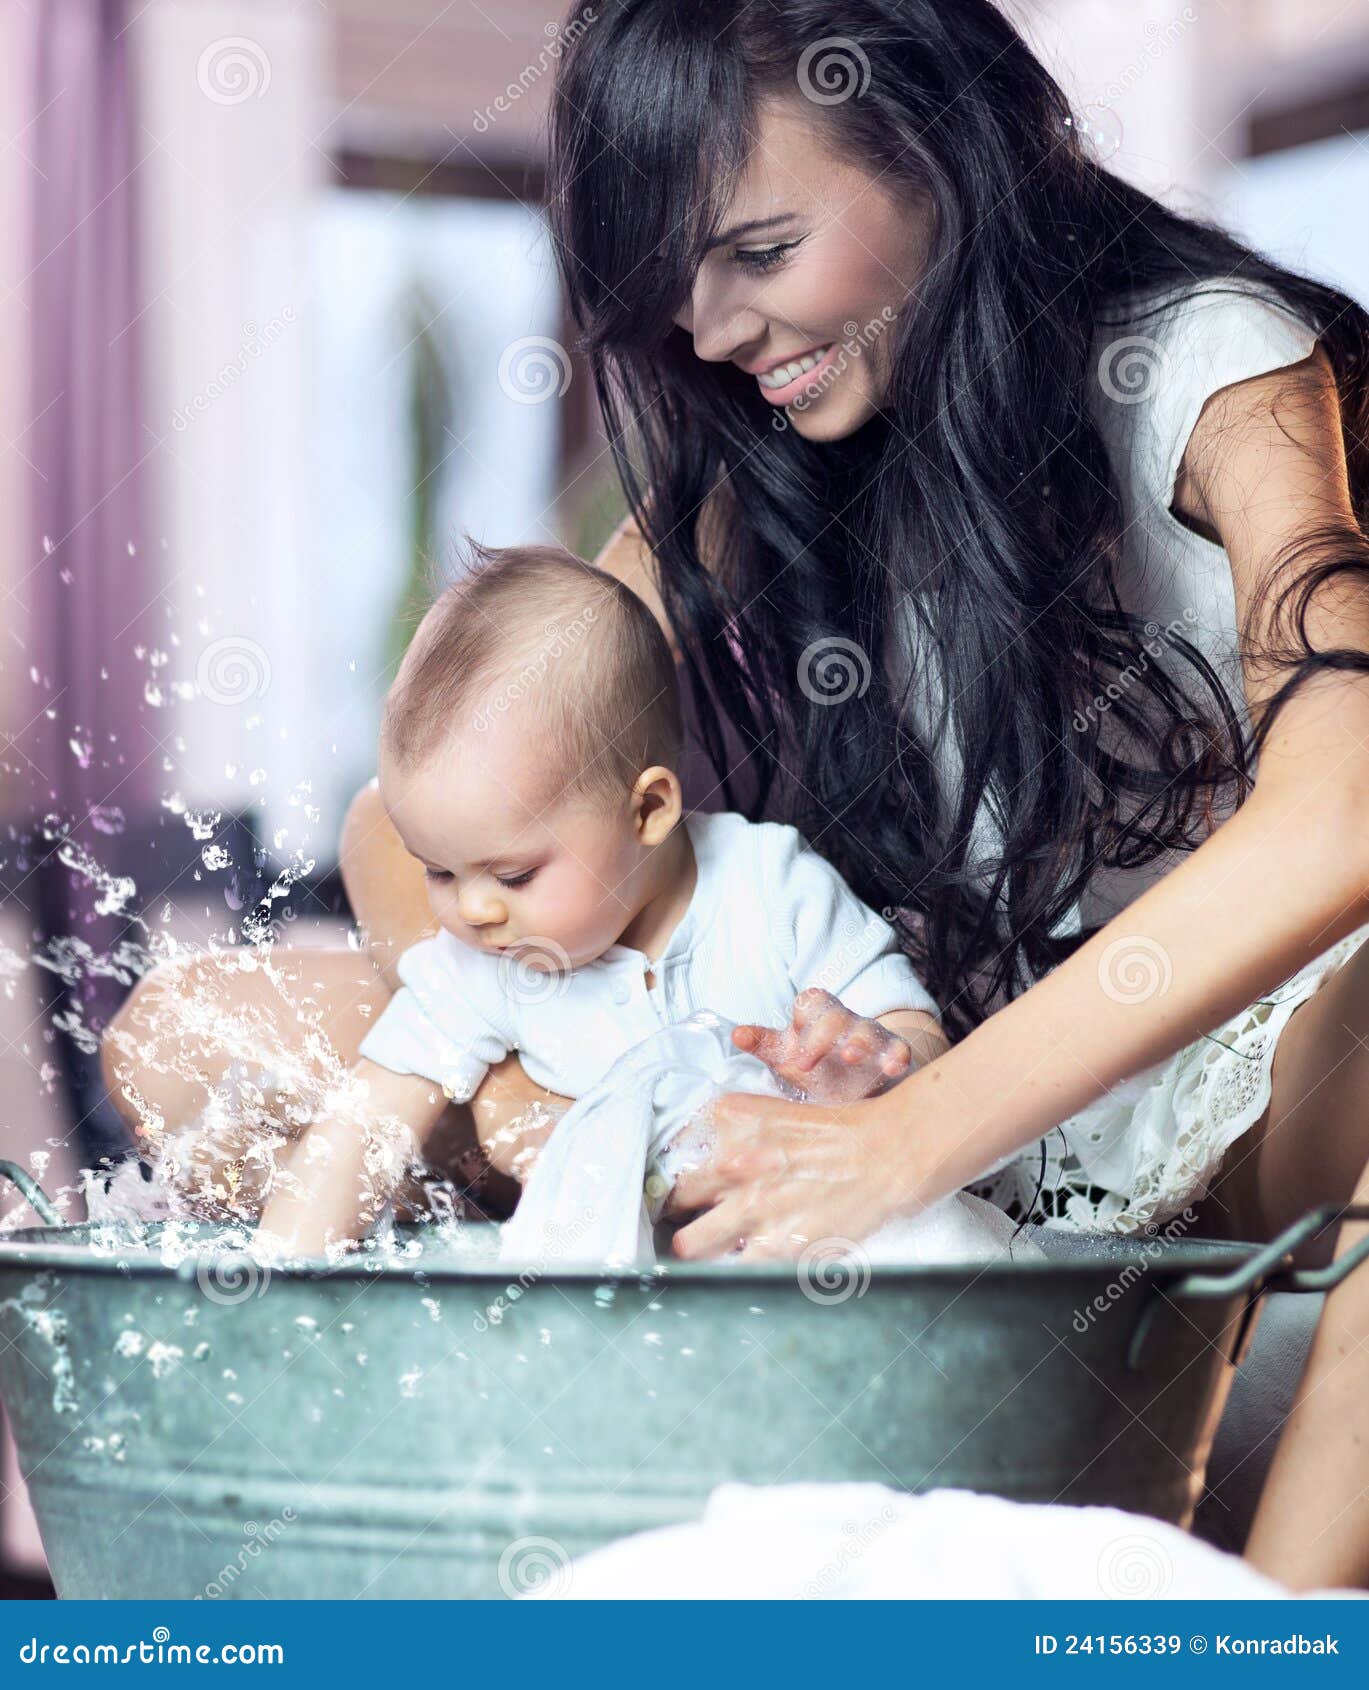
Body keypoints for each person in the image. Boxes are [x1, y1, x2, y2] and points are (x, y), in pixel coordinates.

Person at [106, 0, 1369, 1589]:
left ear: (938, 146)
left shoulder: (1222, 365)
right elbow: (398, 829)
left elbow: (1342, 816)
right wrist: (534, 1109)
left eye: (760, 251)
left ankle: (1289, 1625)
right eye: (676, 280)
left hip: (1207, 1105)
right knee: (186, 1032)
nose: (710, 332)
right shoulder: (770, 447)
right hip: (892, 1082)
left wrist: (908, 1137)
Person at [255, 541, 946, 1257]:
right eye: (438, 872)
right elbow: (363, 1124)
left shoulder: (773, 890)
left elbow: (923, 1050)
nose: (474, 911)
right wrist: (276, 1275)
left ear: (647, 810)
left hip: (809, 1252)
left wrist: (871, 1062)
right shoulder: (482, 963)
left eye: (514, 876)